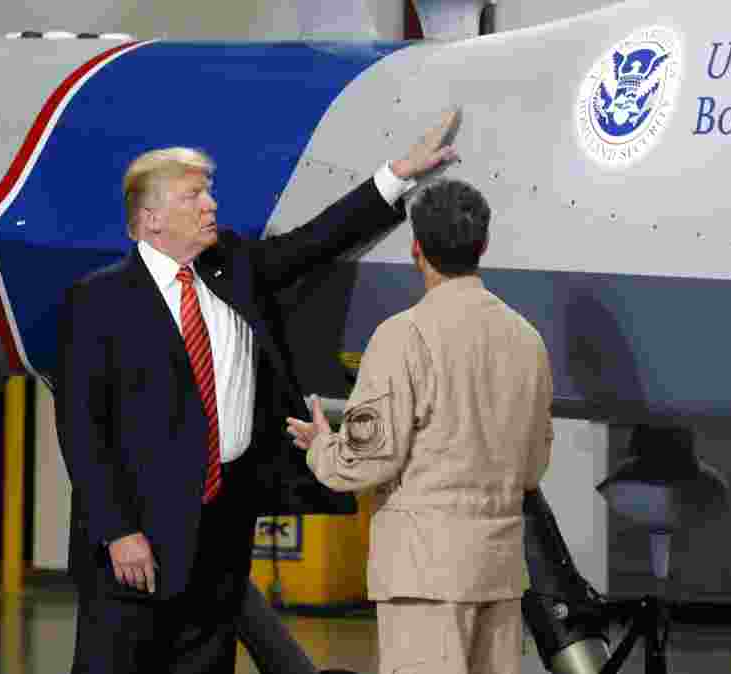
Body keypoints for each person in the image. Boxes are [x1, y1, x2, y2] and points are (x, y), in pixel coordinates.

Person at [54, 110, 459, 674]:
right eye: (194, 196)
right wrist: (119, 531)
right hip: (136, 541)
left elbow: (317, 241)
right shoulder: (98, 300)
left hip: (223, 528)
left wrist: (399, 174)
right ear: (151, 219)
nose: (210, 205)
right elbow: (82, 429)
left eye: (208, 193)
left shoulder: (234, 266)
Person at [287, 178, 554, 674]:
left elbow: (367, 461)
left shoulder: (402, 337)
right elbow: (533, 466)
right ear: (483, 246)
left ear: (416, 249)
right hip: (498, 572)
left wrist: (323, 446)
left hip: (425, 575)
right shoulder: (527, 340)